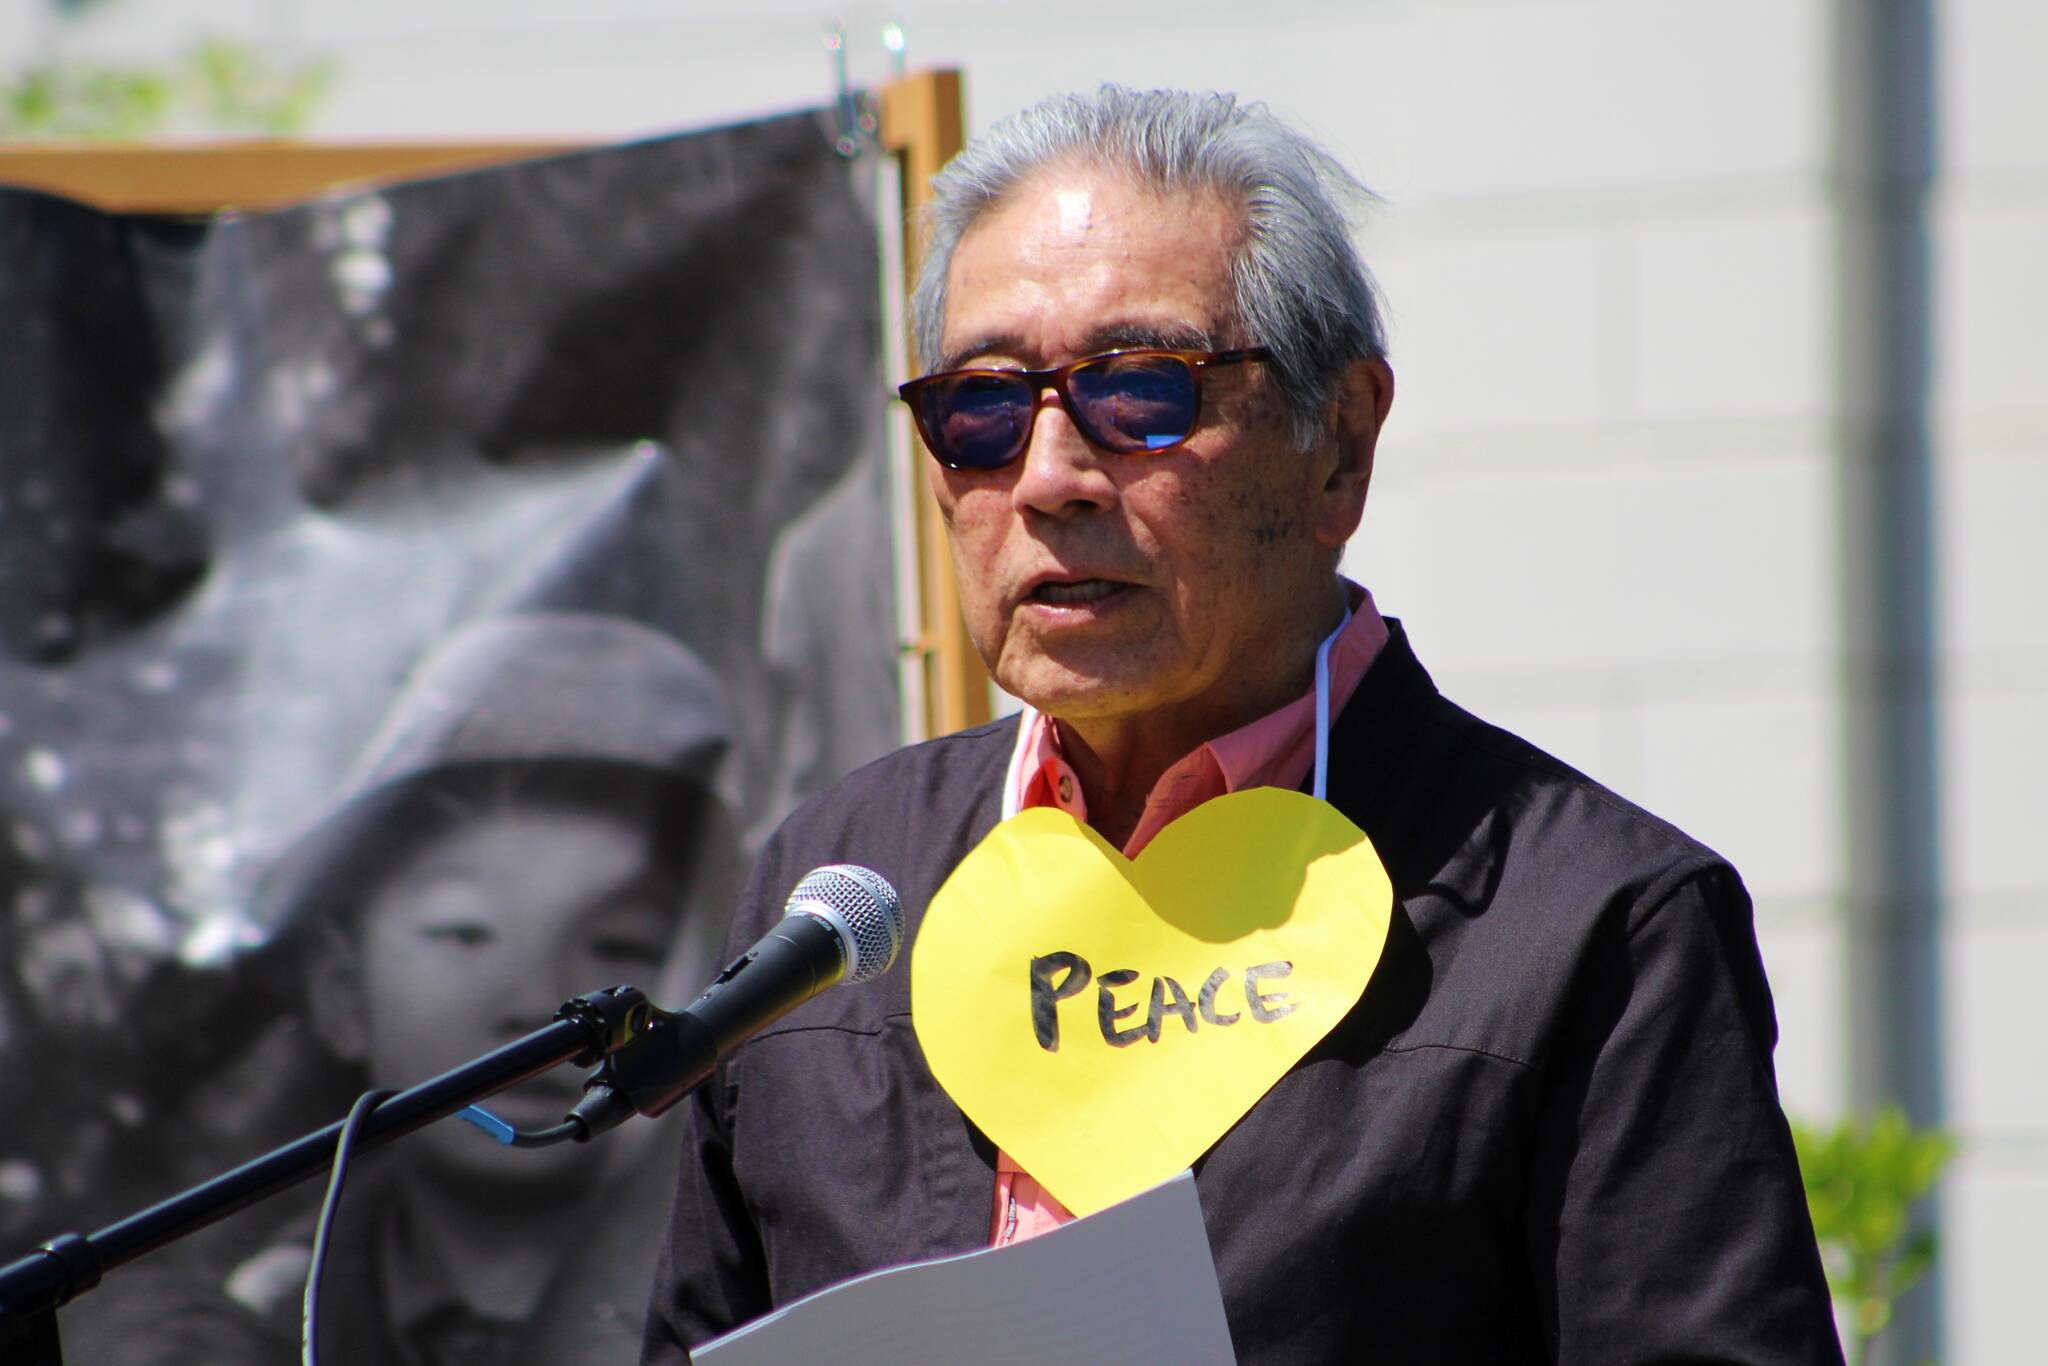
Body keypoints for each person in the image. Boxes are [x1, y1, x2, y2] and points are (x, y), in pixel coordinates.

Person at [642, 86, 1841, 1364]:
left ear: (1341, 447)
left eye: (1141, 391)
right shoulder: (838, 887)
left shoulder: (1590, 923)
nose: (1047, 477)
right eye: (983, 406)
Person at [58, 612, 742, 1366]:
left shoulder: (770, 1291)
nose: (536, 1003)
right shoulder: (241, 1330)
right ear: (341, 991)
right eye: (465, 934)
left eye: (620, 946)